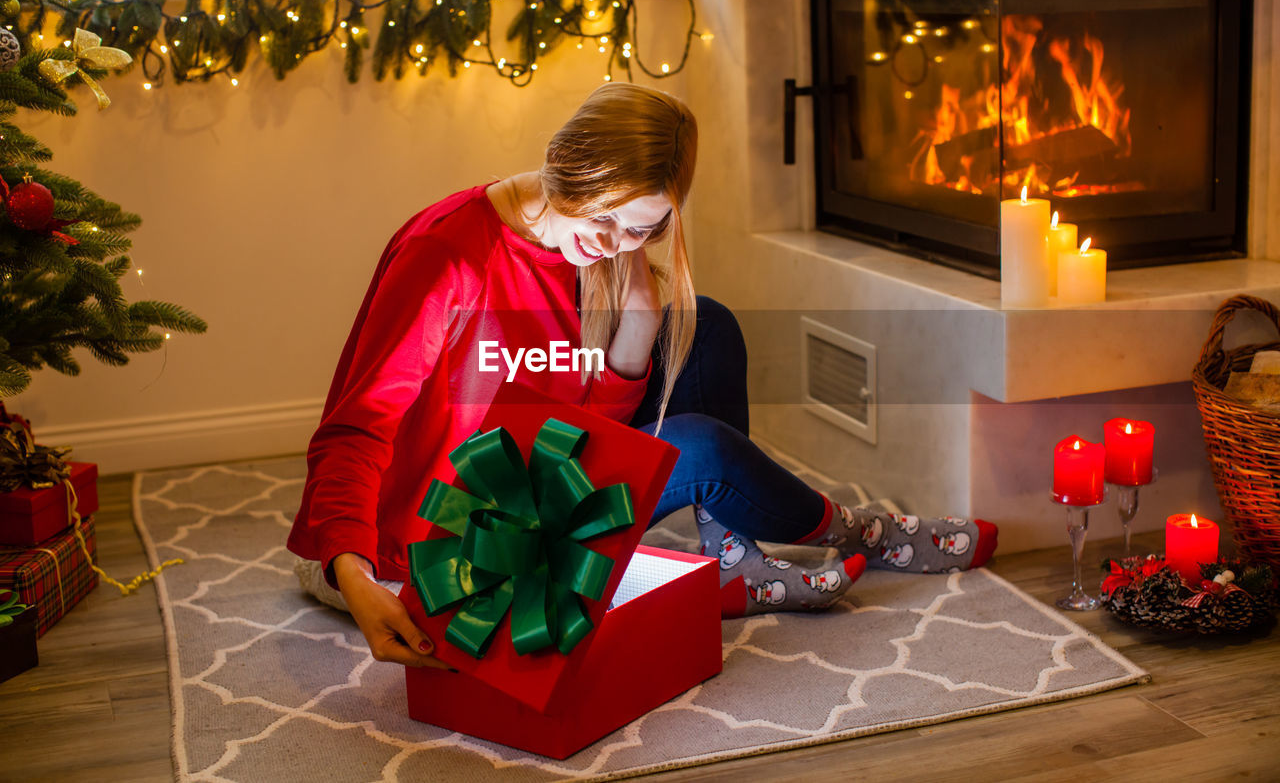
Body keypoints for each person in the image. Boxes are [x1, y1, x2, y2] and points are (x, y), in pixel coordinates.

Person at [287, 82, 997, 669]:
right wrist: (351, 571)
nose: (615, 243)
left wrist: (635, 311)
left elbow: (584, 415)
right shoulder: (447, 256)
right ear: (566, 163)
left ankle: (731, 560)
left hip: (536, 476)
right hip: (441, 533)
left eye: (645, 228)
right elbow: (356, 427)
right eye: (606, 219)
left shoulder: (597, 251)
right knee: (702, 448)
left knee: (708, 325)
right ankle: (862, 532)